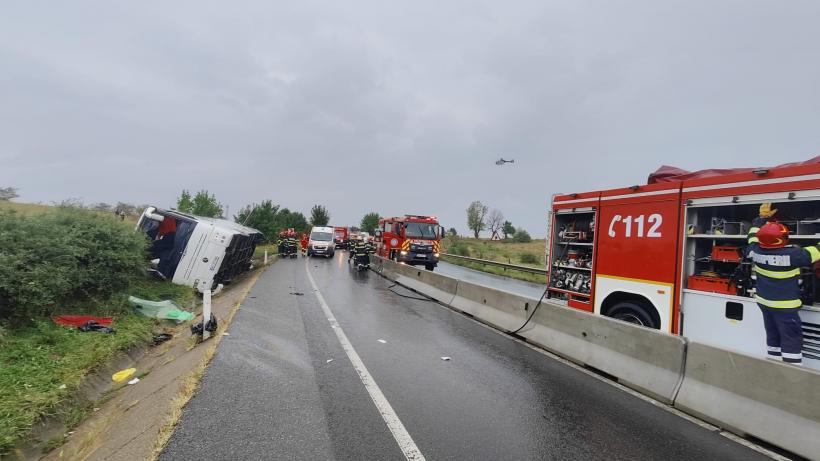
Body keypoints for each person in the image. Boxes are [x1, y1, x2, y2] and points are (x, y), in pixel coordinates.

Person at [746, 202, 820, 365]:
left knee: (773, 336)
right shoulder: (794, 254)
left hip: (764, 303)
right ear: (782, 239)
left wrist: (758, 223)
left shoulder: (754, 251)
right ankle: (792, 375)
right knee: (791, 340)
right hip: (785, 308)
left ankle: (772, 364)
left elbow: (751, 239)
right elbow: (817, 251)